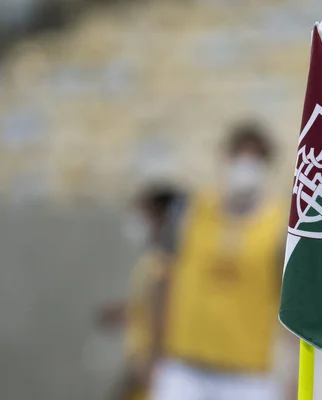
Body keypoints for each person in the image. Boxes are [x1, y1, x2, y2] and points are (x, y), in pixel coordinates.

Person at [150, 120, 294, 400]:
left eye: (256, 159)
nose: (246, 166)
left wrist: (292, 375)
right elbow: (161, 281)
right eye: (240, 156)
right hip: (185, 368)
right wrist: (153, 352)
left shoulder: (279, 226)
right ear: (224, 159)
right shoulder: (192, 211)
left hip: (249, 376)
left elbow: (293, 303)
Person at [97, 184, 184, 400]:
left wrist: (153, 362)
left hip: (152, 369)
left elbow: (166, 313)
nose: (136, 219)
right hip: (142, 366)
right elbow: (147, 305)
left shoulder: (166, 263)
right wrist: (126, 310)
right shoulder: (152, 259)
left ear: (160, 214)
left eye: (142, 211)